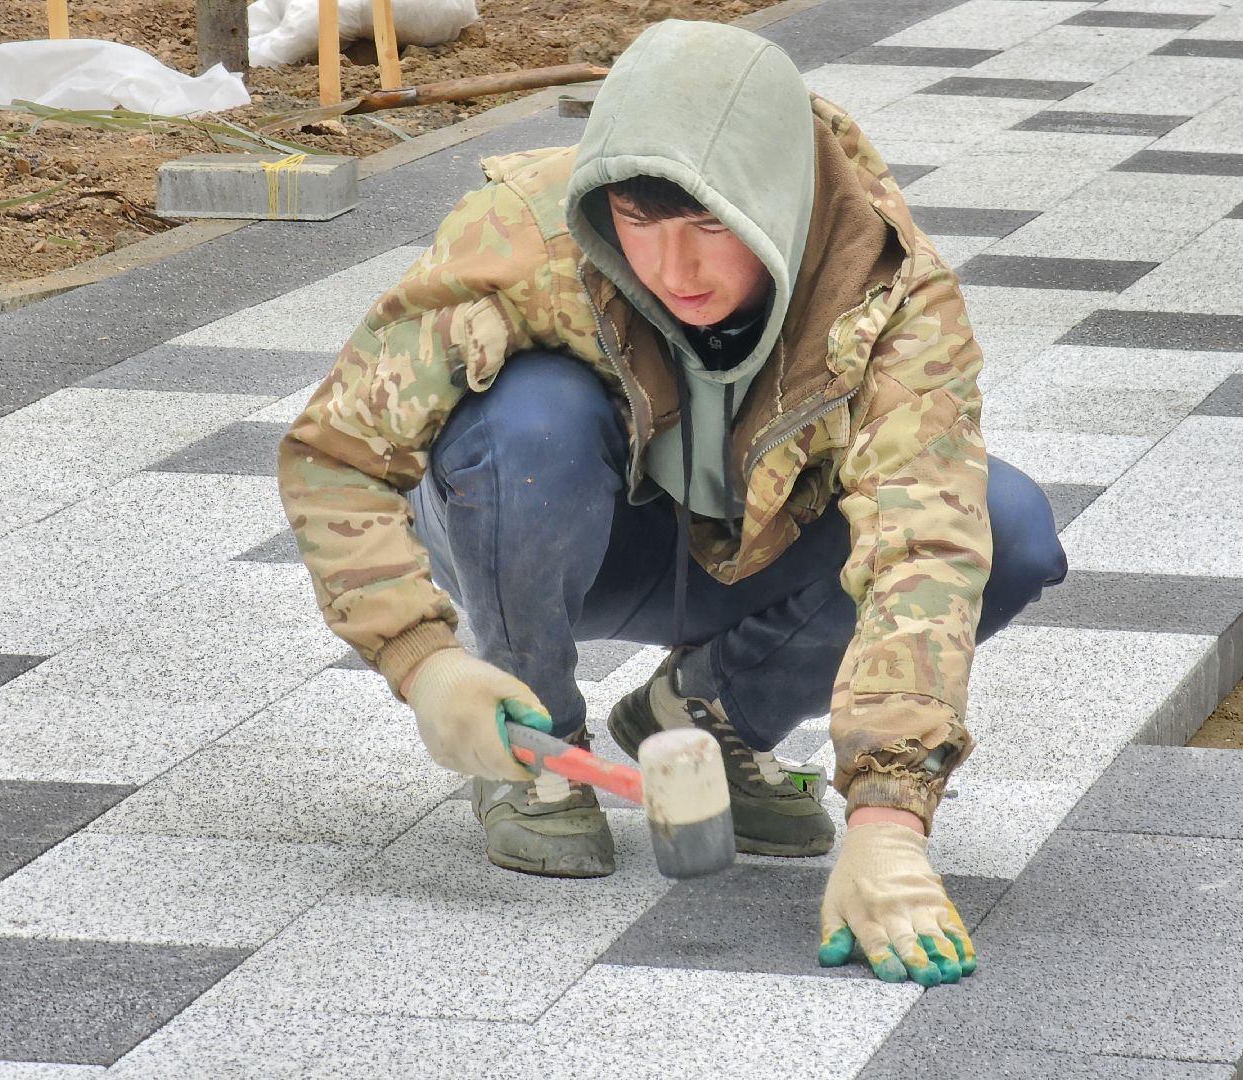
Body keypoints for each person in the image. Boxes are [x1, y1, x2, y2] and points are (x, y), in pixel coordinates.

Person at [278, 19, 1067, 986]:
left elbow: (926, 539)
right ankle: (538, 742)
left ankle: (705, 716)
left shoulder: (886, 287)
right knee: (529, 422)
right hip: (562, 527)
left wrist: (889, 820)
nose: (674, 270)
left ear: (778, 202)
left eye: (709, 228)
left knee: (1010, 526)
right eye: (639, 223)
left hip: (754, 548)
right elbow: (336, 450)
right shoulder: (527, 233)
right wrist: (423, 660)